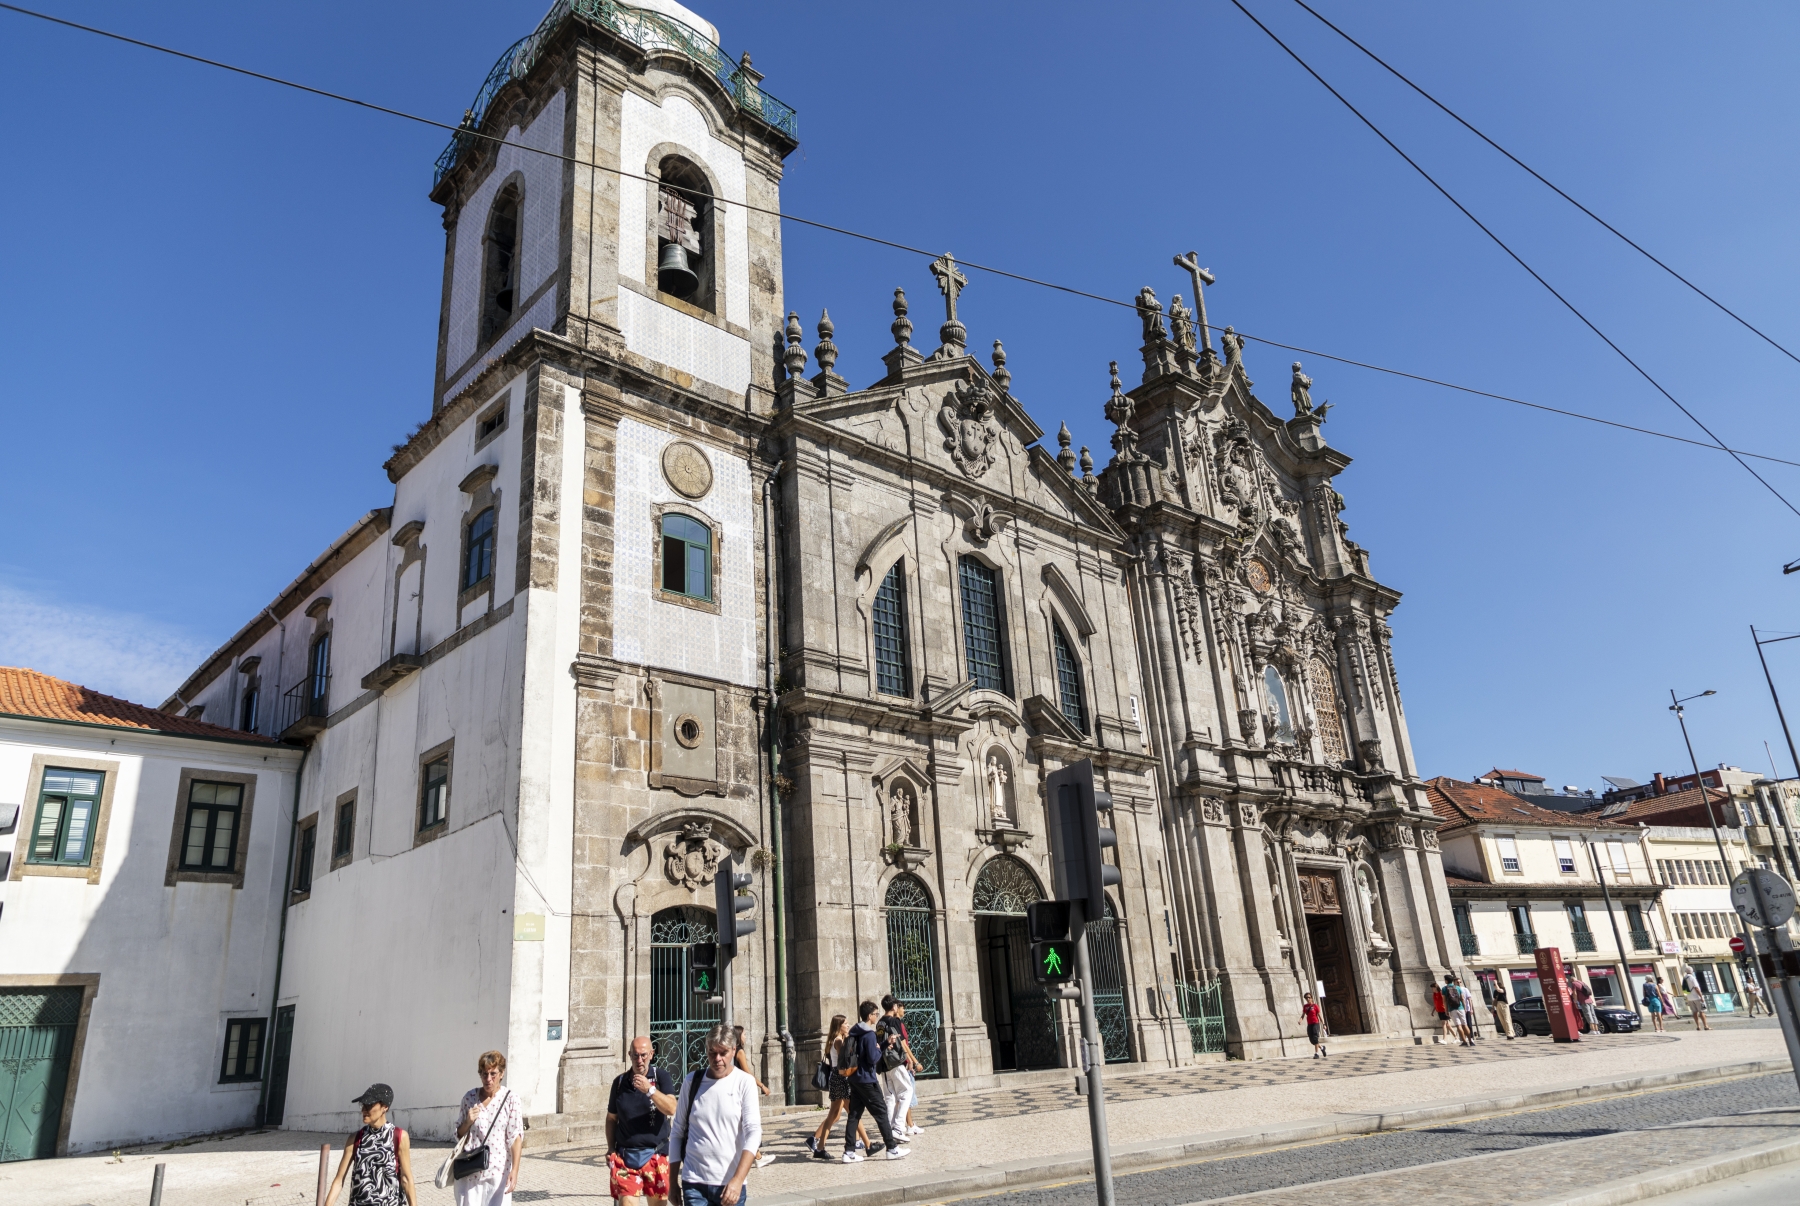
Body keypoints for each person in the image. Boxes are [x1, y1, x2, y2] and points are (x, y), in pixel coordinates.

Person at [668, 1024, 761, 1206]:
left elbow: (754, 1133)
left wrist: (738, 1180)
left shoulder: (745, 1083)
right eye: (712, 1053)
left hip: (730, 1185)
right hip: (694, 1182)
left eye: (723, 1053)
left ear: (734, 1051)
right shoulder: (692, 1081)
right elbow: (677, 1132)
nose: (717, 1058)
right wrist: (672, 1184)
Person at [607, 1037, 679, 1206]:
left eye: (644, 1055)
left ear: (652, 1054)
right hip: (626, 1157)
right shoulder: (619, 1083)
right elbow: (611, 1118)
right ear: (629, 1055)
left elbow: (672, 1108)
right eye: (636, 1055)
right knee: (627, 1203)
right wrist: (611, 1148)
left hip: (656, 1155)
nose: (640, 1060)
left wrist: (650, 1090)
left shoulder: (661, 1077)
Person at [323, 1083, 415, 1206]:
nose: (363, 1110)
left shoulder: (399, 1136)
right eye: (363, 1105)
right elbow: (339, 1181)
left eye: (369, 1105)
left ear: (385, 1107)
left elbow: (406, 1180)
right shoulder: (355, 1139)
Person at [840, 1001, 909, 1163]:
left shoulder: (855, 1031)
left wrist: (885, 1043)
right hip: (867, 1080)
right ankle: (891, 1148)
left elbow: (866, 1053)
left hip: (855, 1079)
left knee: (854, 1115)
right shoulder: (869, 1034)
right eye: (876, 1014)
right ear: (870, 1016)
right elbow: (873, 1058)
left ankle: (849, 1152)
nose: (876, 1017)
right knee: (881, 1113)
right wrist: (881, 1049)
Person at [455, 1051, 524, 1206]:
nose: (488, 1079)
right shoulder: (469, 1098)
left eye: (493, 1074)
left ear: (501, 1073)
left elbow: (515, 1138)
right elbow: (459, 1135)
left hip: (498, 1175)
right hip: (470, 1175)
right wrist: (467, 1122)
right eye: (484, 1074)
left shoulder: (511, 1099)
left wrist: (515, 1171)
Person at [807, 1015, 871, 1160]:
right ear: (839, 1026)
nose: (848, 1026)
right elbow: (846, 1057)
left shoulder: (835, 1039)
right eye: (845, 1024)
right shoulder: (838, 1040)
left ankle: (820, 1148)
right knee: (853, 1112)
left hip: (837, 1078)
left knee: (834, 1115)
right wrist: (850, 1041)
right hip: (841, 1078)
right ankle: (868, 1144)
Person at [877, 997, 923, 1138]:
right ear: (894, 1007)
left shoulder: (880, 1022)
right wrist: (911, 1060)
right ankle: (898, 1127)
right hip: (895, 1061)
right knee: (907, 1091)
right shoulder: (894, 1021)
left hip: (884, 1064)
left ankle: (891, 1130)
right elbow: (902, 1043)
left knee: (890, 1097)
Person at [729, 1027, 774, 1168]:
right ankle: (758, 1157)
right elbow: (747, 1073)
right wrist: (762, 1086)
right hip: (741, 1092)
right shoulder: (740, 1051)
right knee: (746, 1125)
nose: (746, 1036)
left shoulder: (733, 1051)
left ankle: (758, 1156)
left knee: (741, 1125)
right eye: (744, 1034)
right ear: (738, 1036)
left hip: (735, 1090)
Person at [1443, 975, 1472, 1047]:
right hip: (1461, 1007)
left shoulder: (1444, 988)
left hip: (1452, 1009)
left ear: (1446, 980)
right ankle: (1470, 1040)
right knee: (1464, 1024)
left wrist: (1446, 1010)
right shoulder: (1458, 987)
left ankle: (1464, 1041)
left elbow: (1444, 1001)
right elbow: (1462, 998)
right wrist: (1465, 1007)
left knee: (1458, 1025)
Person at [1302, 992, 1326, 1058]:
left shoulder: (1315, 1006)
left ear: (1311, 998)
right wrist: (1300, 1020)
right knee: (1312, 1040)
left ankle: (1316, 1054)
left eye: (1309, 997)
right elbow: (1303, 1015)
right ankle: (1322, 1048)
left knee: (1315, 1038)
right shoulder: (1305, 1006)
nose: (1308, 999)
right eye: (1306, 998)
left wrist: (1323, 1024)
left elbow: (1319, 1015)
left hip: (1315, 1023)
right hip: (1309, 1024)